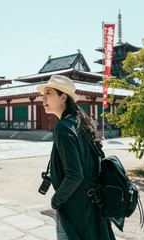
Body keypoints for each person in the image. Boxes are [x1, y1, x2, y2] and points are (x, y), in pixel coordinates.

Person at [37, 75, 115, 240]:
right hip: (92, 203)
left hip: (76, 208)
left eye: (48, 93)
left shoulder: (63, 128)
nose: (43, 98)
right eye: (43, 94)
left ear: (63, 97)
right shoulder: (79, 122)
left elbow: (75, 174)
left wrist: (56, 202)